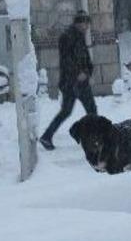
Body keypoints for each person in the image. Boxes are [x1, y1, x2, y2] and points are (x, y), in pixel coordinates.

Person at [40, 11, 97, 150]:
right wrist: (79, 73)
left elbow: (86, 60)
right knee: (84, 111)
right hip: (72, 83)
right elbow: (66, 61)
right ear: (79, 23)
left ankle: (47, 136)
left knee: (81, 111)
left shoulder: (79, 37)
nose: (87, 27)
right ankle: (93, 140)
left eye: (88, 23)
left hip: (78, 82)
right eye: (86, 23)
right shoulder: (67, 37)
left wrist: (87, 71)